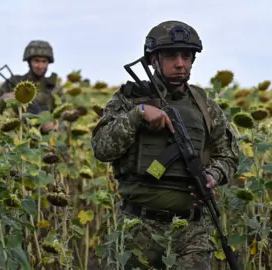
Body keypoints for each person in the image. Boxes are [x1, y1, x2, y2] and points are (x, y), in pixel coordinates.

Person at [91, 20, 239, 269]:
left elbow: (229, 155)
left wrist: (213, 175)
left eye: (186, 56)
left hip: (191, 230)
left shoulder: (204, 105)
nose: (180, 63)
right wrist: (137, 115)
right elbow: (102, 148)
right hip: (139, 227)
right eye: (171, 56)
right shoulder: (129, 99)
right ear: (153, 60)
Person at [0, 40, 65, 133]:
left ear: (48, 63)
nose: (40, 66)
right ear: (29, 62)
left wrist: (55, 126)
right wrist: (4, 100)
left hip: (45, 141)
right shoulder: (13, 82)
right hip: (16, 137)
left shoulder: (54, 88)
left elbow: (64, 117)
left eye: (44, 61)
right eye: (36, 61)